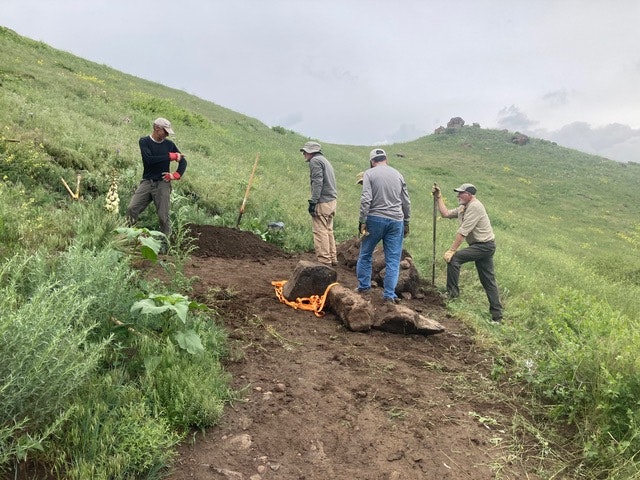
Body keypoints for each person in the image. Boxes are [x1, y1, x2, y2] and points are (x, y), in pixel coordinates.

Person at [432, 183, 503, 322]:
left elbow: (463, 231)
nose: (458, 195)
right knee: (488, 280)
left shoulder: (475, 207)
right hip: (481, 246)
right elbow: (445, 214)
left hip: (484, 246)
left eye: (461, 193)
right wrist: (439, 197)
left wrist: (452, 250)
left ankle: (452, 295)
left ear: (469, 195)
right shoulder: (463, 207)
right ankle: (497, 316)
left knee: (454, 259)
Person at [356, 148, 411, 304]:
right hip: (396, 221)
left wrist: (362, 220)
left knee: (366, 253)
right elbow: (406, 202)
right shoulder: (398, 175)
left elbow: (366, 198)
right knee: (393, 259)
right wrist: (406, 221)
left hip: (375, 219)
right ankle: (389, 295)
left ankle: (364, 287)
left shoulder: (369, 173)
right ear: (385, 160)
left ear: (372, 161)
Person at [126, 117, 187, 244]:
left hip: (162, 183)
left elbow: (183, 160)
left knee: (163, 216)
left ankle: (166, 244)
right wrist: (169, 156)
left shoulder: (169, 145)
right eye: (165, 131)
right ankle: (129, 238)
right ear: (156, 128)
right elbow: (149, 159)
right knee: (132, 208)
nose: (166, 134)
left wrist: (175, 175)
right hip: (147, 181)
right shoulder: (144, 141)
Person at [300, 141, 338, 266]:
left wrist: (313, 201)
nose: (304, 154)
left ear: (311, 152)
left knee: (320, 231)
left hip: (323, 201)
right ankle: (332, 258)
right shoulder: (324, 160)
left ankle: (324, 261)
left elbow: (317, 182)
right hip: (331, 201)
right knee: (328, 230)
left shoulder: (315, 162)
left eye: (305, 151)